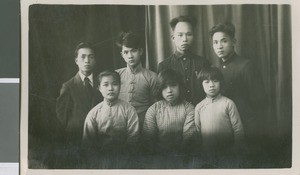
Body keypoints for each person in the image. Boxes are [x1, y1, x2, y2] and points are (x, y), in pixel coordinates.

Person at [209, 22, 267, 144]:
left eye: (224, 41)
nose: (219, 46)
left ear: (233, 41)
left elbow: (260, 103)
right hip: (224, 127)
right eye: (215, 42)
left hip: (247, 127)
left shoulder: (246, 66)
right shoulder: (215, 70)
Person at [55, 42, 103, 168]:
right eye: (83, 57)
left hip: (100, 140)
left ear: (95, 60)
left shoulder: (102, 84)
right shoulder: (68, 86)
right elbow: (62, 118)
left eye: (91, 57)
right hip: (75, 142)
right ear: (76, 60)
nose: (87, 60)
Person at [82, 70, 139, 168]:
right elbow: (88, 143)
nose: (111, 88)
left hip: (125, 161)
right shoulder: (94, 113)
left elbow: (133, 138)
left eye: (115, 84)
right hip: (100, 161)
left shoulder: (129, 110)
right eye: (105, 85)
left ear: (120, 86)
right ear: (99, 88)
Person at [158, 15, 211, 106]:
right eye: (180, 35)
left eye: (189, 34)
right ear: (173, 38)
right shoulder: (164, 65)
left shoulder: (203, 63)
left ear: (194, 36)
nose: (185, 39)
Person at [143, 69, 196, 157]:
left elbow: (189, 137)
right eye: (164, 87)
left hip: (183, 157)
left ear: (180, 86)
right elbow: (149, 139)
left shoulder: (189, 109)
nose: (169, 90)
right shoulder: (153, 109)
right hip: (159, 157)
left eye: (173, 85)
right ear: (160, 89)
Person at [195, 67, 245, 154]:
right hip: (207, 153)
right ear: (201, 85)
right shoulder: (199, 107)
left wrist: (237, 150)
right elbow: (197, 132)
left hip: (228, 151)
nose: (211, 85)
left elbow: (238, 129)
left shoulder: (228, 103)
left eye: (215, 81)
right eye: (206, 82)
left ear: (220, 83)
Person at [115, 32, 158, 130]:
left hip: (143, 127)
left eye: (133, 51)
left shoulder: (152, 77)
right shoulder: (116, 76)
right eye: (126, 52)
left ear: (141, 51)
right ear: (122, 54)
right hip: (119, 127)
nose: (130, 56)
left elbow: (155, 108)